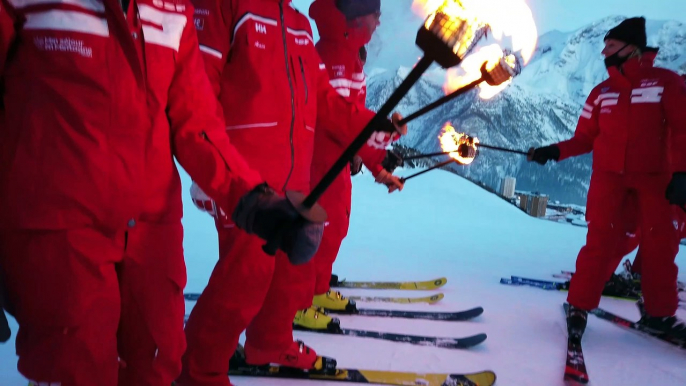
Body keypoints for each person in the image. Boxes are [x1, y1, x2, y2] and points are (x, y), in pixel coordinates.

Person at [0, 0, 324, 385]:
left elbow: (197, 120)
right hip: (58, 225)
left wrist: (255, 199)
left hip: (152, 233)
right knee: (76, 367)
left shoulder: (171, 7)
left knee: (157, 364)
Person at [178, 0, 407, 384]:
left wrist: (375, 127)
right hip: (245, 181)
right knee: (243, 280)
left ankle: (270, 342)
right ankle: (199, 372)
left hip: (293, 181)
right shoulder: (226, 7)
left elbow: (327, 102)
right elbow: (197, 93)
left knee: (282, 277)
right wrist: (211, 171)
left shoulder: (297, 24)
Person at [528, 17, 686, 340]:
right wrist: (553, 151)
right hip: (609, 181)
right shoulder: (602, 92)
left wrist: (682, 173)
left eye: (611, 46)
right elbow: (585, 138)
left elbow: (684, 129)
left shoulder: (666, 83)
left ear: (632, 48)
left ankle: (659, 314)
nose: (604, 51)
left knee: (659, 248)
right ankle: (579, 306)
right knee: (600, 243)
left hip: (656, 181)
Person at [292, 0, 405, 329]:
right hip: (319, 166)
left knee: (334, 229)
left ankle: (315, 290)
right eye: (375, 15)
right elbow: (335, 118)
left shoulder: (351, 57)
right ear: (356, 17)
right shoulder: (333, 57)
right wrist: (376, 138)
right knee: (315, 232)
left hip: (337, 164)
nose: (379, 23)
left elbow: (352, 123)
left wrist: (377, 166)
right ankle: (297, 302)